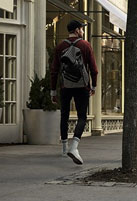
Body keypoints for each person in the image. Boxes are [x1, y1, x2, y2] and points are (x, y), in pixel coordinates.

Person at [50, 20, 98, 165]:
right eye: (81, 29)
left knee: (64, 115)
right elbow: (94, 69)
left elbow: (54, 70)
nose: (82, 31)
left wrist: (53, 91)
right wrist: (93, 86)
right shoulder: (85, 45)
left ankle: (64, 149)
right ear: (77, 30)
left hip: (65, 86)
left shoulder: (60, 46)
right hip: (82, 86)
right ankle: (74, 146)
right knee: (82, 116)